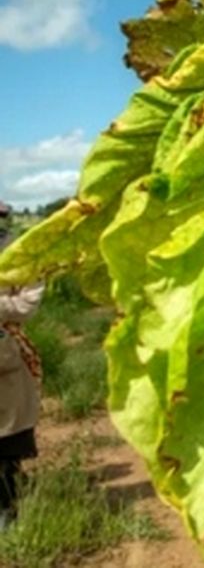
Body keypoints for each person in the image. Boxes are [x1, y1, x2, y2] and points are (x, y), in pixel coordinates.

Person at [0, 202, 44, 530]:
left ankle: (7, 511)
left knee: (6, 438)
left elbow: (26, 305)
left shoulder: (23, 257)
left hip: (4, 353)